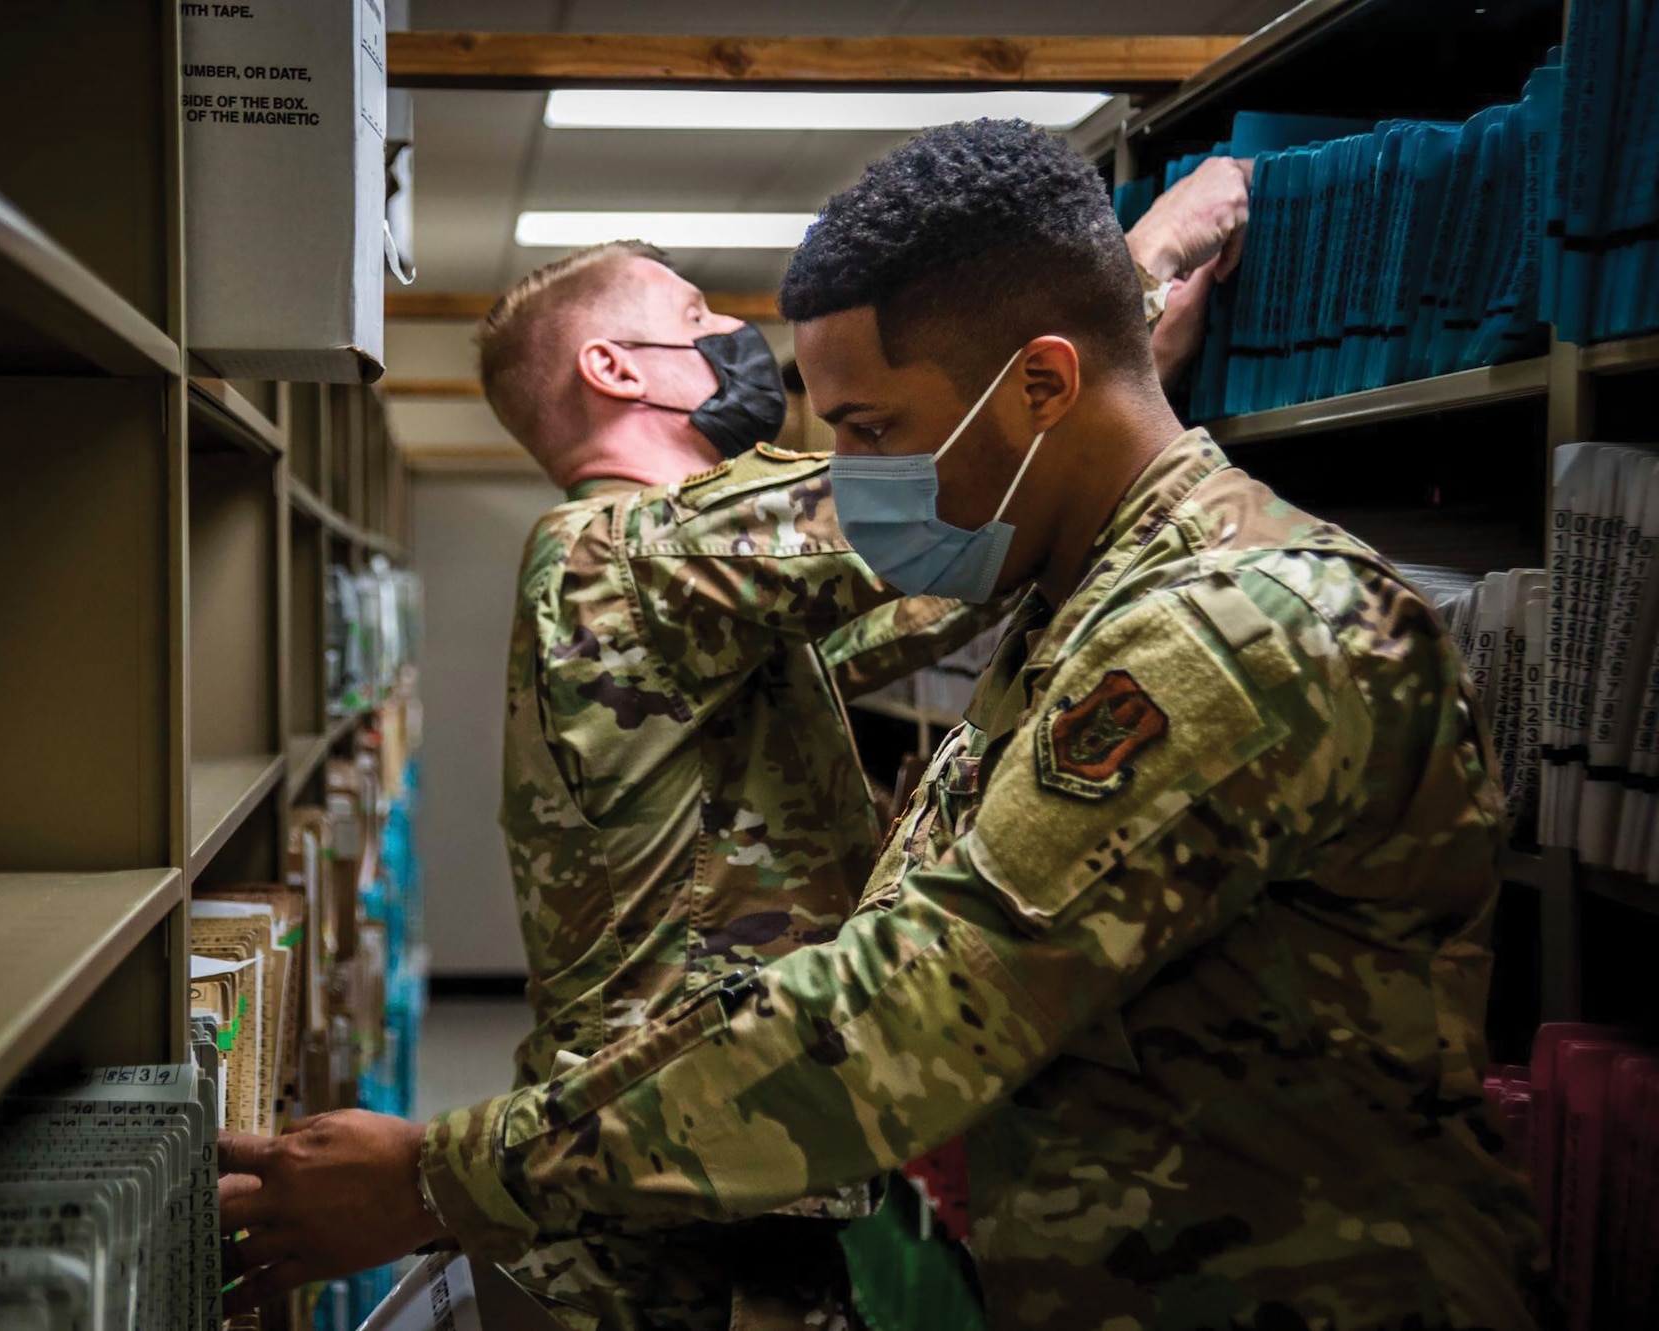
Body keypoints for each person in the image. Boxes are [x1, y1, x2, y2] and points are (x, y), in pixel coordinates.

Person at [226, 121, 1540, 1331]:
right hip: (725, 1148)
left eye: (872, 429)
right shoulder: (632, 547)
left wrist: (442, 1172)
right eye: (843, 432)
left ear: (1039, 387)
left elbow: (906, 1008)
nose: (853, 474)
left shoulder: (1213, 626)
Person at [468, 239, 1003, 1331]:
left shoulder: (680, 599)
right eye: (696, 311)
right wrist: (1122, 288)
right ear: (617, 368)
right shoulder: (628, 552)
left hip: (692, 1176)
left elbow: (941, 580)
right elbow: (942, 496)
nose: (729, 333)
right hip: (668, 1211)